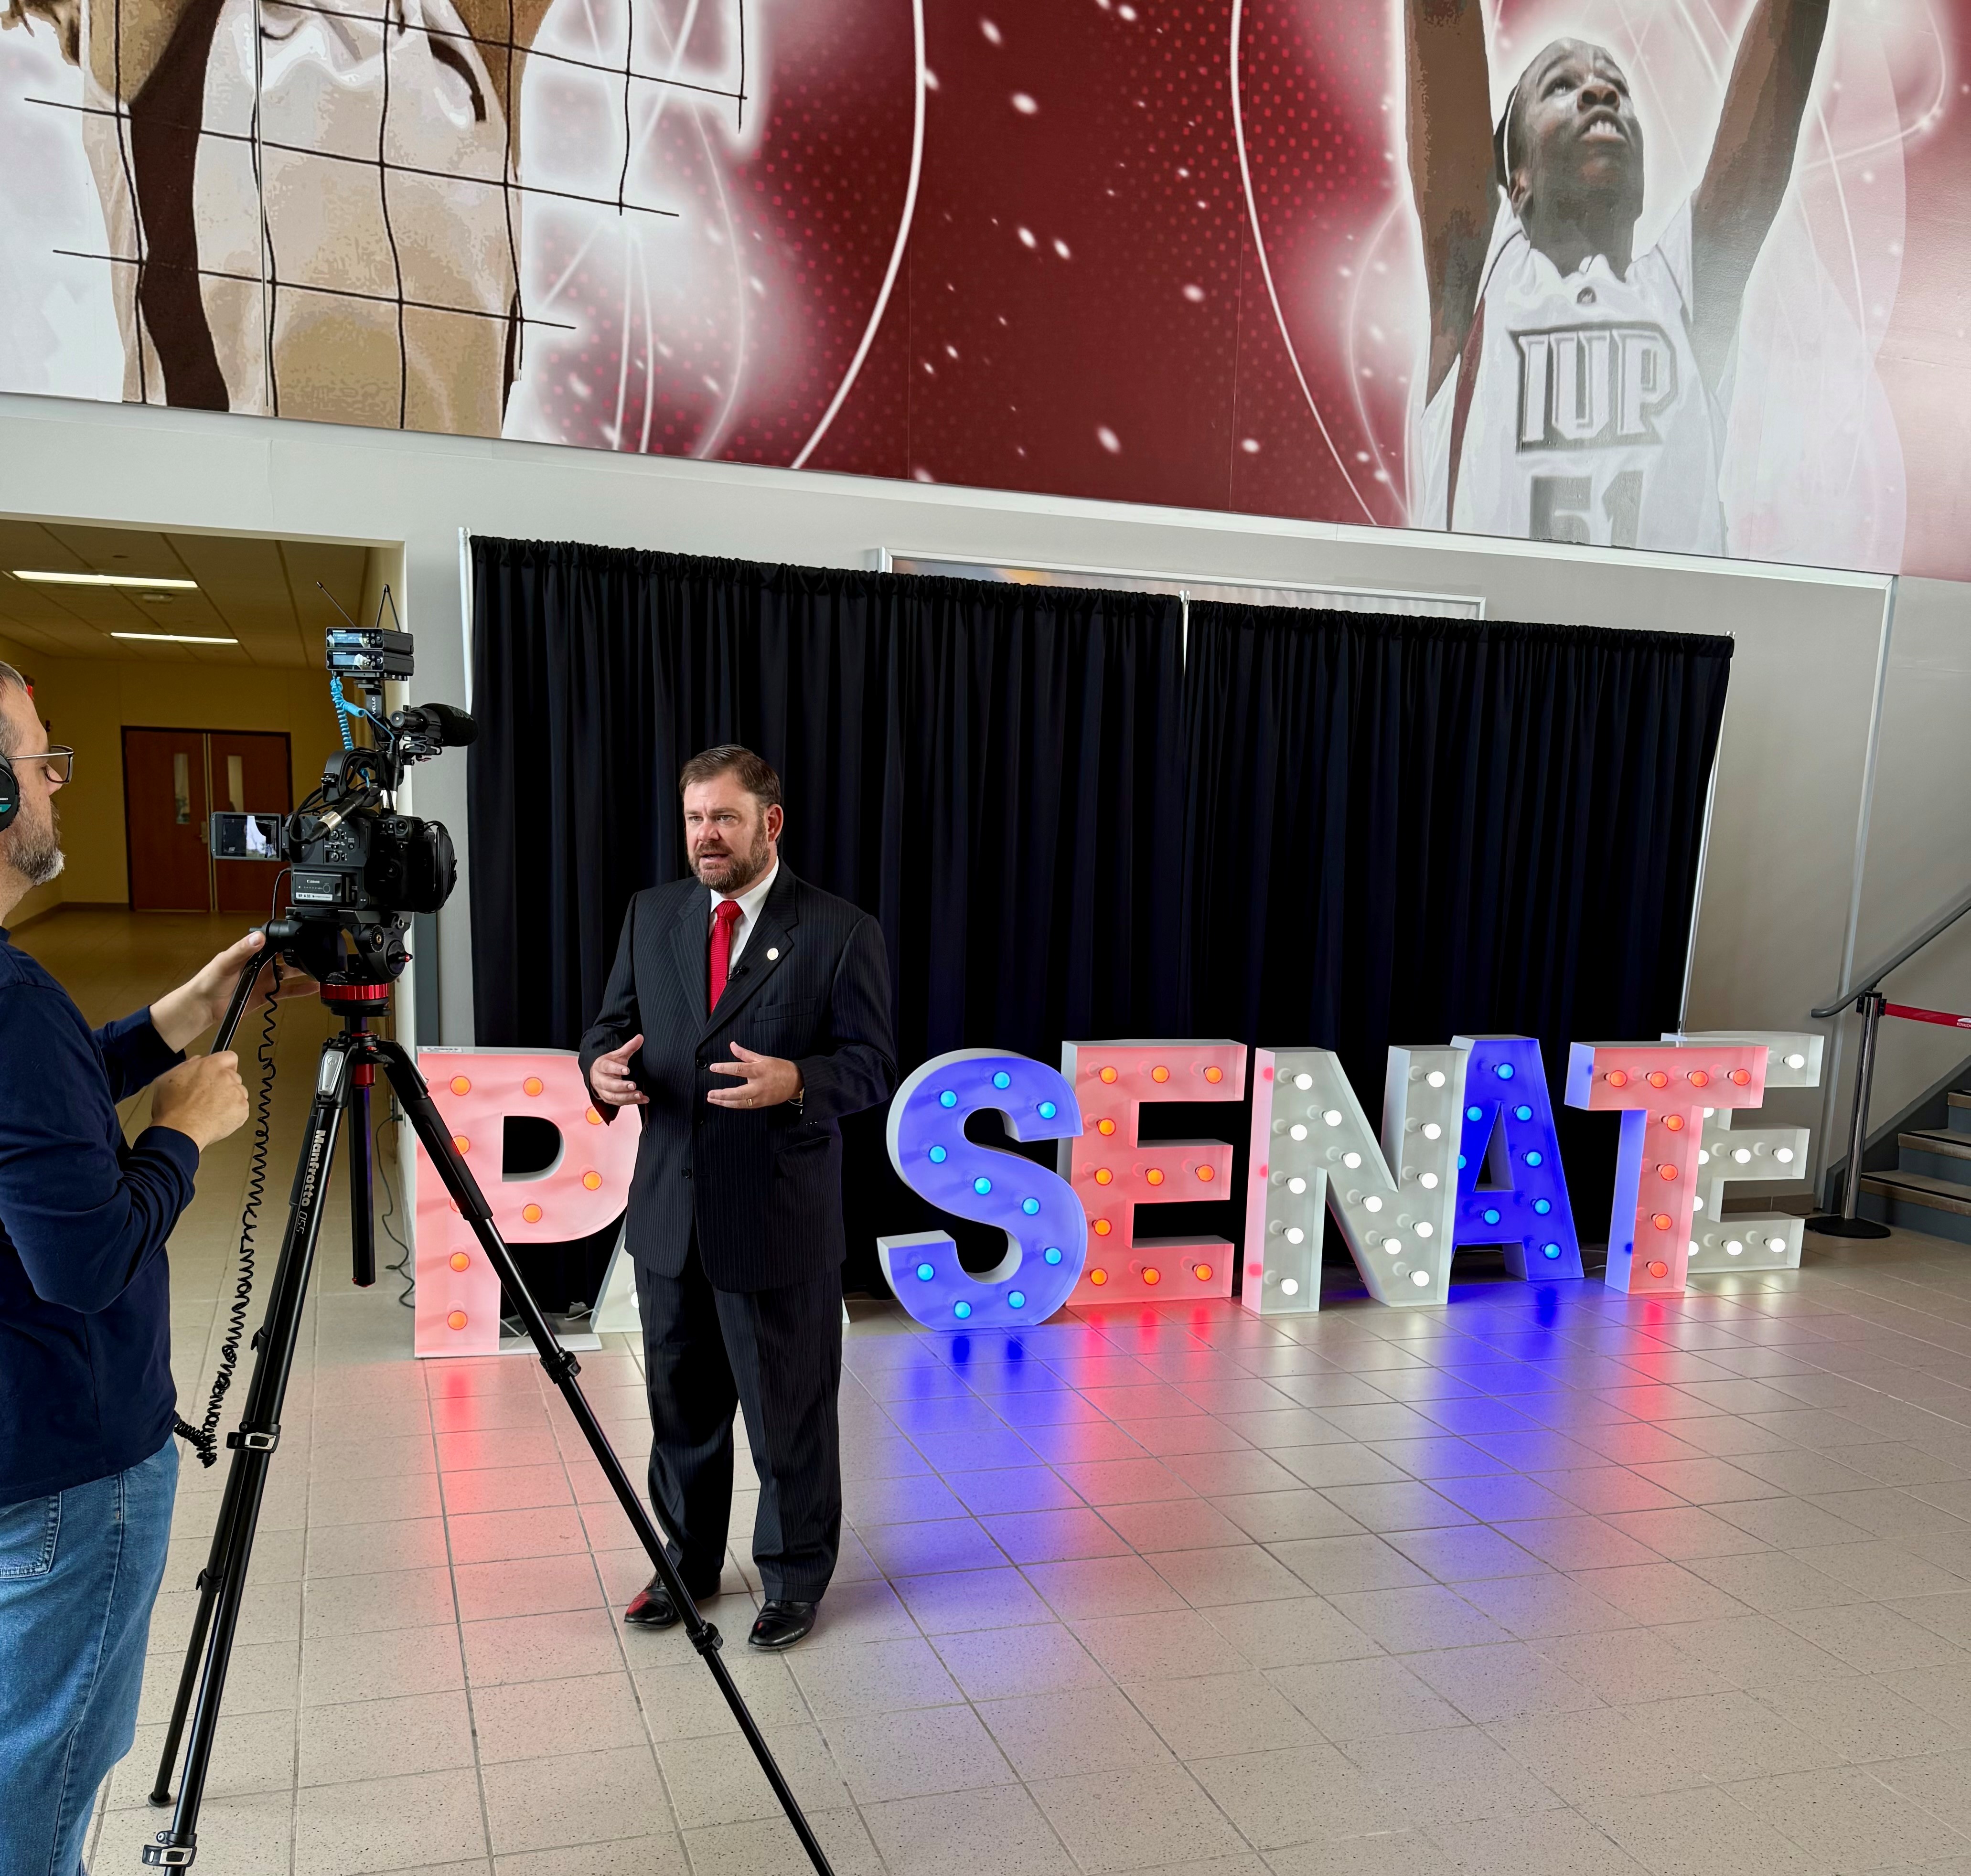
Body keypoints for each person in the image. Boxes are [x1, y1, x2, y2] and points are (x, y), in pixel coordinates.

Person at [0, 662, 306, 1875]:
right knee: (37, 1789)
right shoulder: (11, 1002)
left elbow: (42, 1121)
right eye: (37, 759)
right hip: (67, 1474)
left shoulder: (25, 1012)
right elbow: (82, 1259)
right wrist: (184, 1132)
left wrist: (179, 1016)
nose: (54, 786)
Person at [579, 746, 895, 1651]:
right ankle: (686, 1560)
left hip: (776, 1223)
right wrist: (598, 1067)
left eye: (722, 818)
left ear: (770, 822)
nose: (704, 836)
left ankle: (795, 1575)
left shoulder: (838, 930)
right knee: (680, 1411)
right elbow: (612, 1024)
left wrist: (799, 1079)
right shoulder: (653, 915)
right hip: (671, 1219)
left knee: (787, 1414)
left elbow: (871, 1063)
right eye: (692, 819)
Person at [1405, 0, 1830, 552]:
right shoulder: (1483, 281)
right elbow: (1441, 15)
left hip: (1661, 636)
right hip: (1491, 635)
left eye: (1616, 89)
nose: (1599, 93)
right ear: (1518, 180)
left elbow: (1787, 41)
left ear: (1642, 184)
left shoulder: (1683, 289)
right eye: (1560, 86)